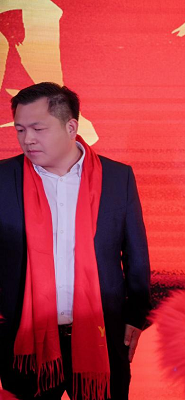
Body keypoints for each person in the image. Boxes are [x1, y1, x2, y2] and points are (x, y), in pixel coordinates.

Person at [0, 83, 151, 400]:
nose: (28, 139)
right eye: (20, 130)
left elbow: (135, 255)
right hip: (24, 340)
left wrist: (136, 317)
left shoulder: (117, 177)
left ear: (71, 127)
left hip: (103, 333)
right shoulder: (4, 178)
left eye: (38, 128)